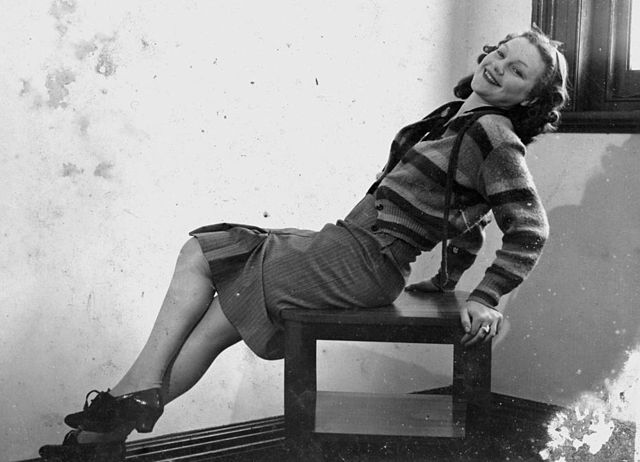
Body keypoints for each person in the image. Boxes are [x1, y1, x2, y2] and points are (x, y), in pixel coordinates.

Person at [39, 28, 569, 461]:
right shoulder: (456, 119)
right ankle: (111, 424)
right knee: (205, 266)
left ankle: (112, 417)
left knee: (215, 293)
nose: (499, 66)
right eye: (502, 53)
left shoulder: (494, 135)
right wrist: (446, 279)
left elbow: (529, 227)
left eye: (517, 71)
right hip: (346, 245)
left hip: (365, 261)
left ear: (529, 99)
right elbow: (468, 212)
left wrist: (485, 296)